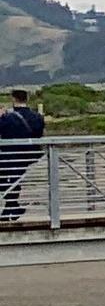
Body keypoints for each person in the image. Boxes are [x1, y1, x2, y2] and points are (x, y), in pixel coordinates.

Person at [0, 89, 43, 223]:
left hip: (9, 155)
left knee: (8, 180)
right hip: (29, 155)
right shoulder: (37, 117)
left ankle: (11, 206)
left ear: (13, 99)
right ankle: (10, 208)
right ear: (27, 99)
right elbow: (39, 134)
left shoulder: (8, 118)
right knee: (15, 179)